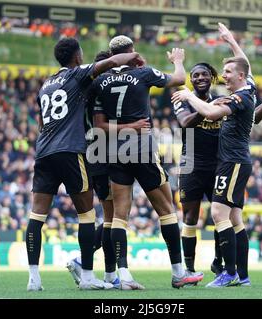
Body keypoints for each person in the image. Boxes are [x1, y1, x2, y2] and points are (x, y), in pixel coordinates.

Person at [172, 23, 262, 287]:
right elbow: (244, 64)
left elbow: (213, 114)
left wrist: (191, 98)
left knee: (218, 213)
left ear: (238, 76)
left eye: (226, 72)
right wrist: (231, 41)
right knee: (233, 218)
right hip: (221, 161)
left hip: (231, 161)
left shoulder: (236, 99)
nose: (223, 75)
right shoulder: (245, 87)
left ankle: (229, 272)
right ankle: (242, 275)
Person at [26, 37, 141, 291]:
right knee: (87, 214)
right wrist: (133, 57)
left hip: (44, 152)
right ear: (77, 56)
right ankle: (88, 276)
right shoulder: (76, 76)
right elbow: (112, 60)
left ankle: (33, 279)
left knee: (36, 216)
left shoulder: (45, 85)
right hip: (70, 150)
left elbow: (42, 124)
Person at [88, 35, 202, 289]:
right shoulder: (143, 73)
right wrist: (178, 61)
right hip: (140, 148)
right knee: (166, 209)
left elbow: (99, 125)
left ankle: (124, 276)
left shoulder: (100, 82)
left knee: (119, 215)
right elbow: (179, 79)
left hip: (113, 152)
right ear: (132, 51)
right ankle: (178, 272)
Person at [67, 50, 149, 288]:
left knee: (112, 216)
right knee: (113, 217)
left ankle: (109, 273)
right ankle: (85, 262)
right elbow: (102, 125)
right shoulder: (98, 90)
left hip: (98, 153)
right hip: (101, 154)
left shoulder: (90, 89)